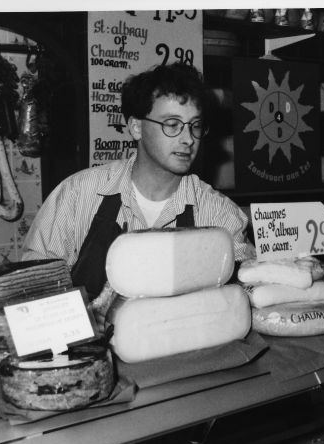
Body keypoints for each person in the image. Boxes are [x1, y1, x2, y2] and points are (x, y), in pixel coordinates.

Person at [22, 63, 255, 300]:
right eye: (172, 124)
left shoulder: (221, 215)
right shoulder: (76, 195)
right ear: (136, 127)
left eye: (195, 126)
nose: (188, 139)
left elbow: (247, 294)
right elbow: (32, 289)